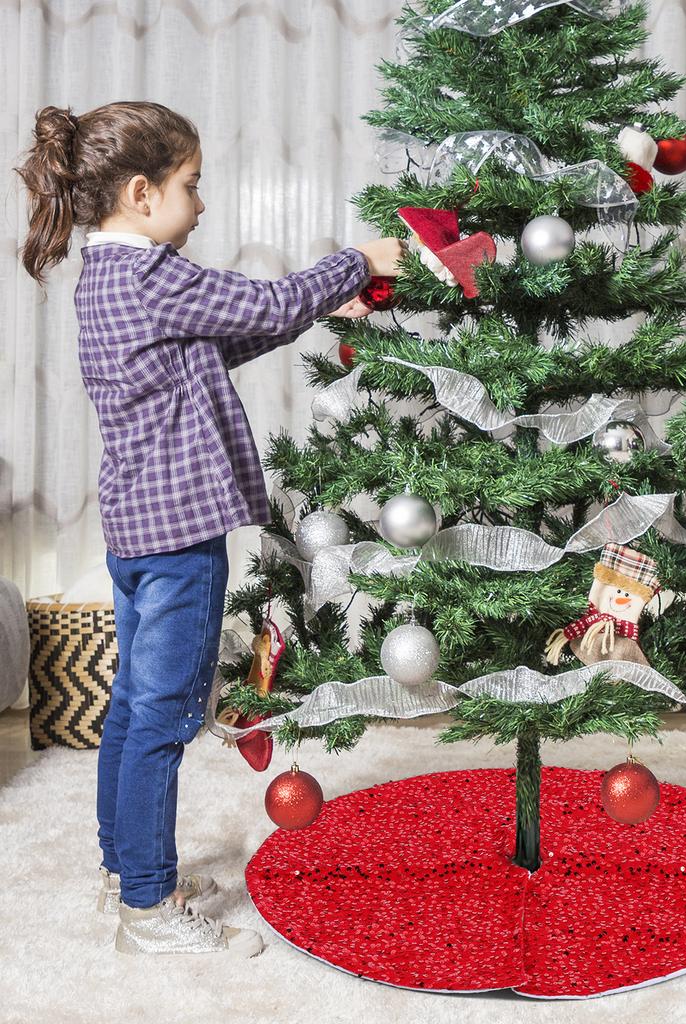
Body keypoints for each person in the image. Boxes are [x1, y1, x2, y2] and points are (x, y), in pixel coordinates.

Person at [15, 100, 406, 957]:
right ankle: (151, 911)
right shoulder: (154, 273)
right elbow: (260, 305)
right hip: (180, 536)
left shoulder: (109, 276)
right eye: (193, 187)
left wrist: (316, 310)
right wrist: (355, 264)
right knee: (165, 717)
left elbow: (219, 344)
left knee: (131, 707)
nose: (202, 204)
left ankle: (129, 869)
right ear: (142, 193)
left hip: (136, 528)